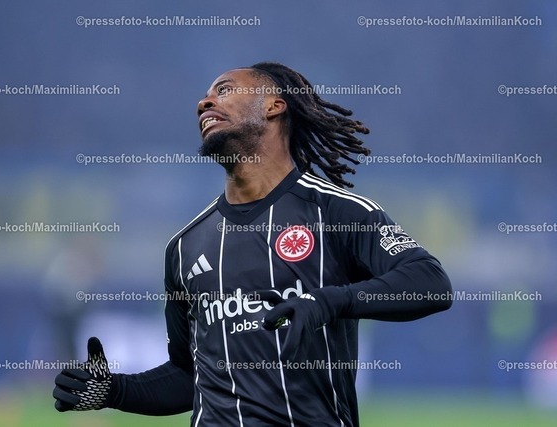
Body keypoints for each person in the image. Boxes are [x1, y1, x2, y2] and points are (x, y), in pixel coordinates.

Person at [53, 62, 452, 426]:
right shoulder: (184, 247)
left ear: (274, 106)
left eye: (224, 90)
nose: (204, 102)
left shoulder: (336, 211)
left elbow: (430, 282)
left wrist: (328, 302)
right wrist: (114, 390)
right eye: (205, 96)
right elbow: (188, 374)